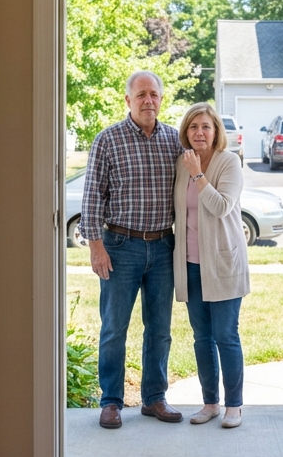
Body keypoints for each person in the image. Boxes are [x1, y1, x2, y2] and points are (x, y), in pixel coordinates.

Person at [80, 70, 186, 429]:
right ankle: (111, 401)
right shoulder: (108, 140)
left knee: (159, 329)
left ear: (161, 99)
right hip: (120, 247)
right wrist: (96, 247)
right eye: (141, 94)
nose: (148, 101)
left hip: (163, 246)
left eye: (153, 94)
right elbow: (92, 196)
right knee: (114, 328)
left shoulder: (174, 140)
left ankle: (154, 398)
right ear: (128, 100)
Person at [171, 103, 249, 429]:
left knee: (225, 336)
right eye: (193, 127)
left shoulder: (229, 162)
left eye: (205, 126)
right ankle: (210, 403)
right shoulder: (183, 163)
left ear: (216, 131)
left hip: (222, 264)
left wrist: (198, 175)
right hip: (190, 265)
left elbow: (221, 206)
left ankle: (235, 406)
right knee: (202, 338)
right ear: (185, 132)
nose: (199, 133)